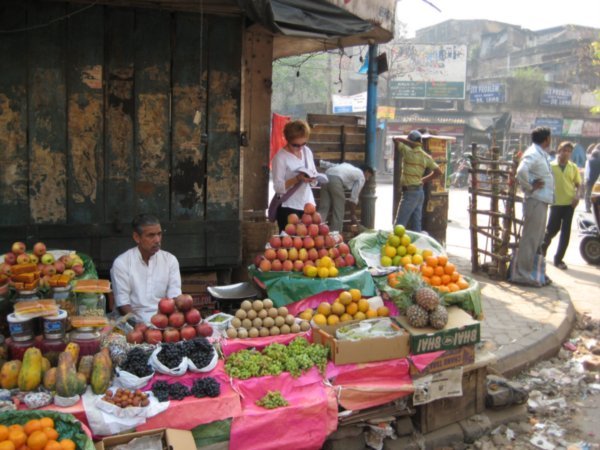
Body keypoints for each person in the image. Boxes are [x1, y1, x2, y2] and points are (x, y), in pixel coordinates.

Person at [111, 214, 182, 323]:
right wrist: (139, 326)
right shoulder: (122, 263)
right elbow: (123, 304)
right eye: (151, 235)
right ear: (136, 237)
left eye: (159, 234)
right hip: (132, 322)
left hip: (163, 321)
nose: (157, 240)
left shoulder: (170, 260)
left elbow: (175, 297)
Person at [512, 127, 554, 287]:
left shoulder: (540, 153)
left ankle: (534, 272)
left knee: (537, 239)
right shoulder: (534, 153)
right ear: (546, 139)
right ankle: (522, 274)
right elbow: (521, 171)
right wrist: (530, 186)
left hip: (541, 200)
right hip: (535, 200)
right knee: (530, 238)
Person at [271, 119, 318, 232]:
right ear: (288, 140)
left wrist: (312, 178)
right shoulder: (280, 157)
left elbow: (314, 176)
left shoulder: (307, 152)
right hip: (289, 205)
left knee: (309, 244)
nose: (300, 148)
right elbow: (278, 187)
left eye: (304, 144)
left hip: (308, 204)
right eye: (296, 145)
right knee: (289, 245)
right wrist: (297, 179)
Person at [541, 142, 582, 270]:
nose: (567, 153)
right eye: (565, 150)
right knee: (552, 229)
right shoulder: (551, 166)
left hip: (569, 204)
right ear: (559, 151)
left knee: (566, 232)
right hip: (555, 203)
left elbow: (579, 184)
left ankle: (559, 259)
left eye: (569, 151)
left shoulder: (573, 167)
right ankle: (542, 250)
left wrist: (577, 196)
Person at [392, 130, 442, 231]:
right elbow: (438, 172)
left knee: (399, 225)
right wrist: (423, 180)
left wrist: (409, 142)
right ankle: (418, 244)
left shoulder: (407, 151)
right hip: (419, 192)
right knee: (416, 224)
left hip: (410, 193)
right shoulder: (426, 156)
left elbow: (396, 139)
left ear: (411, 142)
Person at [317, 162, 374, 232]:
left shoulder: (347, 166)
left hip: (325, 177)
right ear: (366, 171)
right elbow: (354, 197)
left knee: (324, 207)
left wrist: (321, 162)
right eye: (368, 176)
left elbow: (331, 165)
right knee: (339, 208)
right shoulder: (361, 175)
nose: (367, 179)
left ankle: (316, 229)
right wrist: (353, 215)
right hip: (336, 179)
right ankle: (335, 233)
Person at [584, 144, 600, 213]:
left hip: (590, 180)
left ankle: (588, 208)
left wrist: (586, 179)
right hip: (597, 182)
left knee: (588, 194)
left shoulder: (589, 161)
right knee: (597, 195)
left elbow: (587, 171)